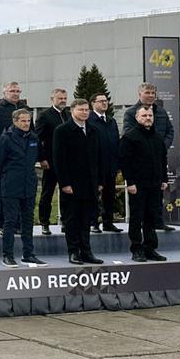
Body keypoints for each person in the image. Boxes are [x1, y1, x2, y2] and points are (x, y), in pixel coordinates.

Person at [52, 98, 103, 265]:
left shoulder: (94, 130)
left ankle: (86, 251)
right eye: (81, 110)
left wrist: (99, 181)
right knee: (72, 219)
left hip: (90, 184)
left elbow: (98, 158)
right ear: (73, 111)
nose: (84, 113)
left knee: (86, 219)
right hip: (72, 185)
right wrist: (64, 183)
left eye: (87, 110)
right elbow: (59, 159)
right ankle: (73, 252)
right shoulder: (62, 131)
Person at [0, 109, 47, 267]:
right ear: (15, 121)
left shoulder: (34, 138)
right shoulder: (5, 139)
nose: (26, 124)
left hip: (29, 186)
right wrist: (6, 179)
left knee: (28, 221)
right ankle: (8, 256)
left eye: (28, 121)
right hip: (10, 186)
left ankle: (28, 254)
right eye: (23, 121)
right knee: (10, 222)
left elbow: (40, 157)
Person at [124, 82, 176, 231]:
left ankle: (159, 221)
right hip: (140, 165)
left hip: (157, 160)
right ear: (139, 94)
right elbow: (128, 134)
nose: (151, 95)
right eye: (147, 93)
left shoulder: (161, 111)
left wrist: (160, 147)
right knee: (139, 207)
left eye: (153, 93)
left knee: (157, 195)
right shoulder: (130, 112)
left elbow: (170, 131)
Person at [119, 106, 169, 262]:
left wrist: (164, 179)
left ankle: (150, 249)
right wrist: (130, 182)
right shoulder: (130, 137)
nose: (148, 118)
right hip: (138, 186)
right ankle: (137, 250)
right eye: (144, 115)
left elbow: (162, 160)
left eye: (150, 115)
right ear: (137, 117)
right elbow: (125, 161)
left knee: (151, 217)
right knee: (136, 217)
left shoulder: (157, 137)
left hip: (155, 185)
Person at [0, 82, 29, 235]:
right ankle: (2, 225)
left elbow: (31, 132)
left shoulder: (24, 109)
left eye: (18, 91)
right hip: (3, 159)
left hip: (22, 160)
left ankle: (18, 224)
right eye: (12, 91)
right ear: (4, 92)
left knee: (22, 194)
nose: (15, 93)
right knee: (3, 193)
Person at [34, 88, 69, 236]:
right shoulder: (45, 116)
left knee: (67, 193)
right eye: (60, 98)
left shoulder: (68, 115)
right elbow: (37, 138)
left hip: (66, 163)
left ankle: (66, 223)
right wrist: (42, 158)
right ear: (52, 99)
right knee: (47, 194)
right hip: (50, 162)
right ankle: (44, 223)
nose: (63, 101)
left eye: (65, 98)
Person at [88, 92, 122, 233]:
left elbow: (115, 142)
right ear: (93, 103)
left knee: (109, 195)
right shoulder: (89, 120)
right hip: (96, 166)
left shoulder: (111, 121)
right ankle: (93, 222)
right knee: (95, 195)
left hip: (110, 165)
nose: (104, 103)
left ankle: (108, 222)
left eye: (106, 100)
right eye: (101, 101)